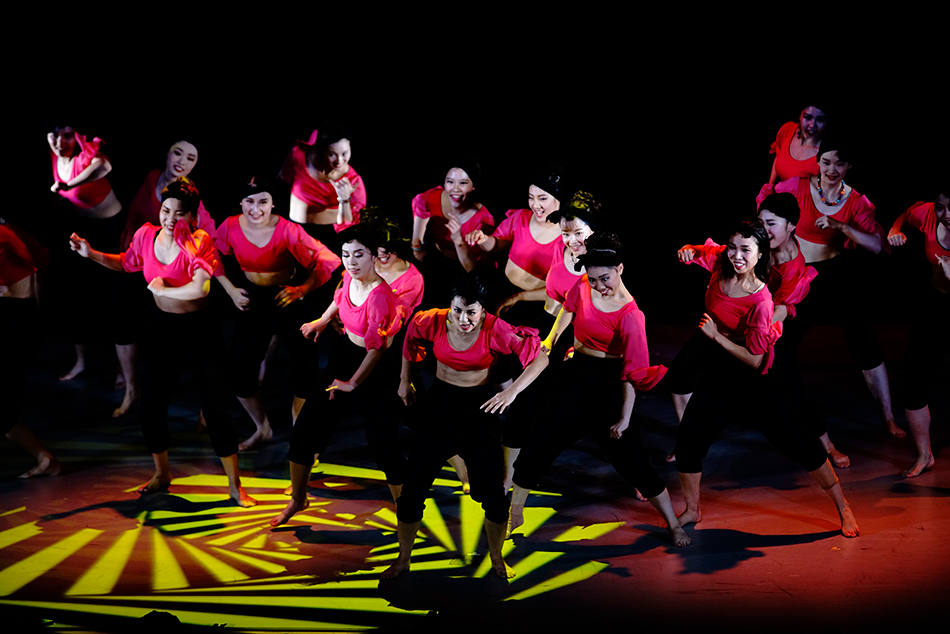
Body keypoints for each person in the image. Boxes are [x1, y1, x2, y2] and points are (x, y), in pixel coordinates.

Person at [69, 179, 256, 507]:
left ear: (192, 217)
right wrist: (91, 254)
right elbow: (126, 263)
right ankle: (161, 473)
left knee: (215, 411)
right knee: (152, 406)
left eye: (180, 213)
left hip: (200, 332)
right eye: (166, 210)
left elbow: (200, 288)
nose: (171, 218)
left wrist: (162, 290)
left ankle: (234, 485)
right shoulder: (146, 235)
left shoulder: (199, 241)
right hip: (163, 329)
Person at [671, 221, 858, 538]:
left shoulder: (760, 300)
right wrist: (689, 250)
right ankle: (692, 509)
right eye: (733, 248)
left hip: (754, 378)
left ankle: (843, 505)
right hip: (720, 371)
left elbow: (755, 360)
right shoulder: (721, 264)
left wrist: (715, 337)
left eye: (745, 250)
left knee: (800, 444)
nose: (736, 255)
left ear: (760, 254)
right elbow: (704, 251)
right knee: (689, 442)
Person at [509, 233, 691, 548]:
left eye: (604, 278)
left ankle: (673, 523)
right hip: (574, 375)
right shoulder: (583, 286)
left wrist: (624, 418)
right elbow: (568, 308)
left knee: (633, 462)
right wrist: (552, 338)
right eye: (593, 279)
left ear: (620, 268)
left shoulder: (631, 315)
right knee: (539, 442)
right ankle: (514, 513)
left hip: (609, 385)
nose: (598, 286)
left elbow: (632, 373)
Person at [382, 274, 549, 580]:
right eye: (457, 310)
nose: (463, 319)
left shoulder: (496, 329)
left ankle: (497, 558)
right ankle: (403, 559)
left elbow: (540, 359)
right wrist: (405, 381)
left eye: (471, 312)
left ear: (483, 310)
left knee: (494, 498)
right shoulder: (433, 321)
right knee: (412, 492)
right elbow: (410, 338)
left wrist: (512, 392)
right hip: (439, 407)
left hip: (478, 411)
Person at [669, 193, 849, 468]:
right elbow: (718, 254)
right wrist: (690, 250)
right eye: (761, 222)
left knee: (790, 389)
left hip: (769, 327)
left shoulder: (792, 266)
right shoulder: (750, 246)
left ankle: (828, 446)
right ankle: (687, 441)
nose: (764, 229)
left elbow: (780, 311)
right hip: (732, 324)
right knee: (681, 370)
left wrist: (751, 326)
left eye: (771, 223)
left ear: (791, 226)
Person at [758, 133, 899, 437]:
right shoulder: (797, 186)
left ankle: (888, 416)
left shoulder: (857, 201)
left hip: (835, 274)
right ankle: (789, 412)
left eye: (839, 163)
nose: (831, 169)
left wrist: (842, 226)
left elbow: (877, 246)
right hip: (798, 274)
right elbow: (766, 208)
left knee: (864, 341)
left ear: (849, 166)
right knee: (781, 342)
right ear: (818, 161)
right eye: (825, 162)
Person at [272, 224, 406, 527]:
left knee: (385, 448)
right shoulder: (348, 276)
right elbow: (340, 296)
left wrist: (352, 383)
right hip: (344, 357)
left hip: (375, 370)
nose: (351, 262)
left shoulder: (380, 297)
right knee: (303, 433)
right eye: (346, 255)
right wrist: (321, 321)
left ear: (374, 257)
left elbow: (378, 348)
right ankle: (298, 499)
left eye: (359, 255)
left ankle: (406, 511)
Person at [214, 178, 341, 449]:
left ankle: (302, 435)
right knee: (239, 372)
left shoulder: (287, 230)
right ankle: (262, 428)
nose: (255, 209)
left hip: (287, 298)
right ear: (241, 202)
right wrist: (231, 290)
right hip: (253, 301)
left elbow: (327, 260)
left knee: (306, 371)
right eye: (249, 201)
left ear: (272, 204)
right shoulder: (230, 226)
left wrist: (302, 290)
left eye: (263, 202)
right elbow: (211, 255)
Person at [111, 138, 213, 418]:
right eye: (177, 153)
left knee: (197, 352)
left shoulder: (191, 200)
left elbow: (204, 242)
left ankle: (206, 410)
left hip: (175, 272)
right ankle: (131, 388)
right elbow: (134, 215)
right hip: (143, 257)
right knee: (124, 321)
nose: (182, 161)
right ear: (167, 154)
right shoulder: (152, 178)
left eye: (191, 158)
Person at [46, 123, 124, 385]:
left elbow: (105, 166)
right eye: (55, 136)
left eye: (68, 136)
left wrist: (66, 185)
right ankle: (82, 360)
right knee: (76, 295)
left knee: (116, 300)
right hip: (82, 227)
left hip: (112, 231)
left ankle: (124, 370)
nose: (60, 142)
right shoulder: (54, 154)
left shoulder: (84, 159)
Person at [887, 189, 950, 477]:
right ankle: (925, 455)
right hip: (936, 306)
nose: (946, 216)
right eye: (941, 207)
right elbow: (907, 214)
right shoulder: (926, 214)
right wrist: (895, 229)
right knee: (914, 384)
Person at [1, 219, 61, 478]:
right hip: (23, 318)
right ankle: (45, 459)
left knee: (3, 412)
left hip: (13, 324)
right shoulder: (10, 230)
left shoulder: (4, 236)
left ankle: (46, 459)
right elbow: (43, 255)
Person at [465, 171, 564, 325]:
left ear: (559, 199)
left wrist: (519, 297)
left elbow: (560, 288)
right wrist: (483, 239)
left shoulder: (567, 238)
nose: (535, 205)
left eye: (542, 198)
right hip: (502, 287)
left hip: (533, 301)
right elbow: (496, 245)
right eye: (531, 198)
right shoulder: (521, 217)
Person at [280, 124, 365, 250]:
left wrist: (344, 200)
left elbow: (350, 225)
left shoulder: (353, 180)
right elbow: (282, 177)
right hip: (296, 230)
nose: (339, 160)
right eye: (332, 154)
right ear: (321, 150)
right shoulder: (299, 155)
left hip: (328, 238)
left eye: (345, 153)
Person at [410, 160, 494, 279]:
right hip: (436, 257)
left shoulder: (483, 220)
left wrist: (458, 240)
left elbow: (473, 269)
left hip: (463, 268)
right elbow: (420, 205)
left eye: (463, 183)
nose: (455, 189)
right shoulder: (433, 197)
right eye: (450, 182)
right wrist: (417, 245)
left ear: (473, 186)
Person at [768, 103, 829, 185]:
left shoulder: (828, 154)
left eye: (820, 120)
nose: (812, 125)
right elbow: (778, 155)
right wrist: (770, 186)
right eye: (807, 117)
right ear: (800, 116)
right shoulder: (787, 130)